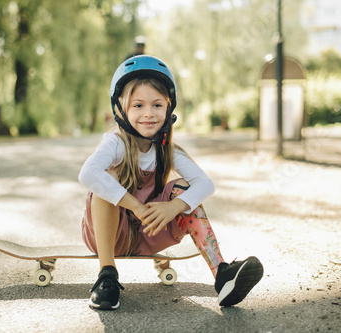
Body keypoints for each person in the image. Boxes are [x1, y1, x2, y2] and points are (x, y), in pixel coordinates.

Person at [78, 55, 263, 311]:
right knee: (104, 177)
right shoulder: (115, 143)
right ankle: (106, 275)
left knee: (185, 189)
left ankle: (222, 275)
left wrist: (173, 207)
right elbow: (87, 174)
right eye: (138, 106)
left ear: (168, 107)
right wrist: (136, 206)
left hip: (151, 233)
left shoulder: (168, 149)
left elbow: (205, 184)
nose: (148, 114)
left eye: (157, 105)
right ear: (121, 108)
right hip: (109, 237)